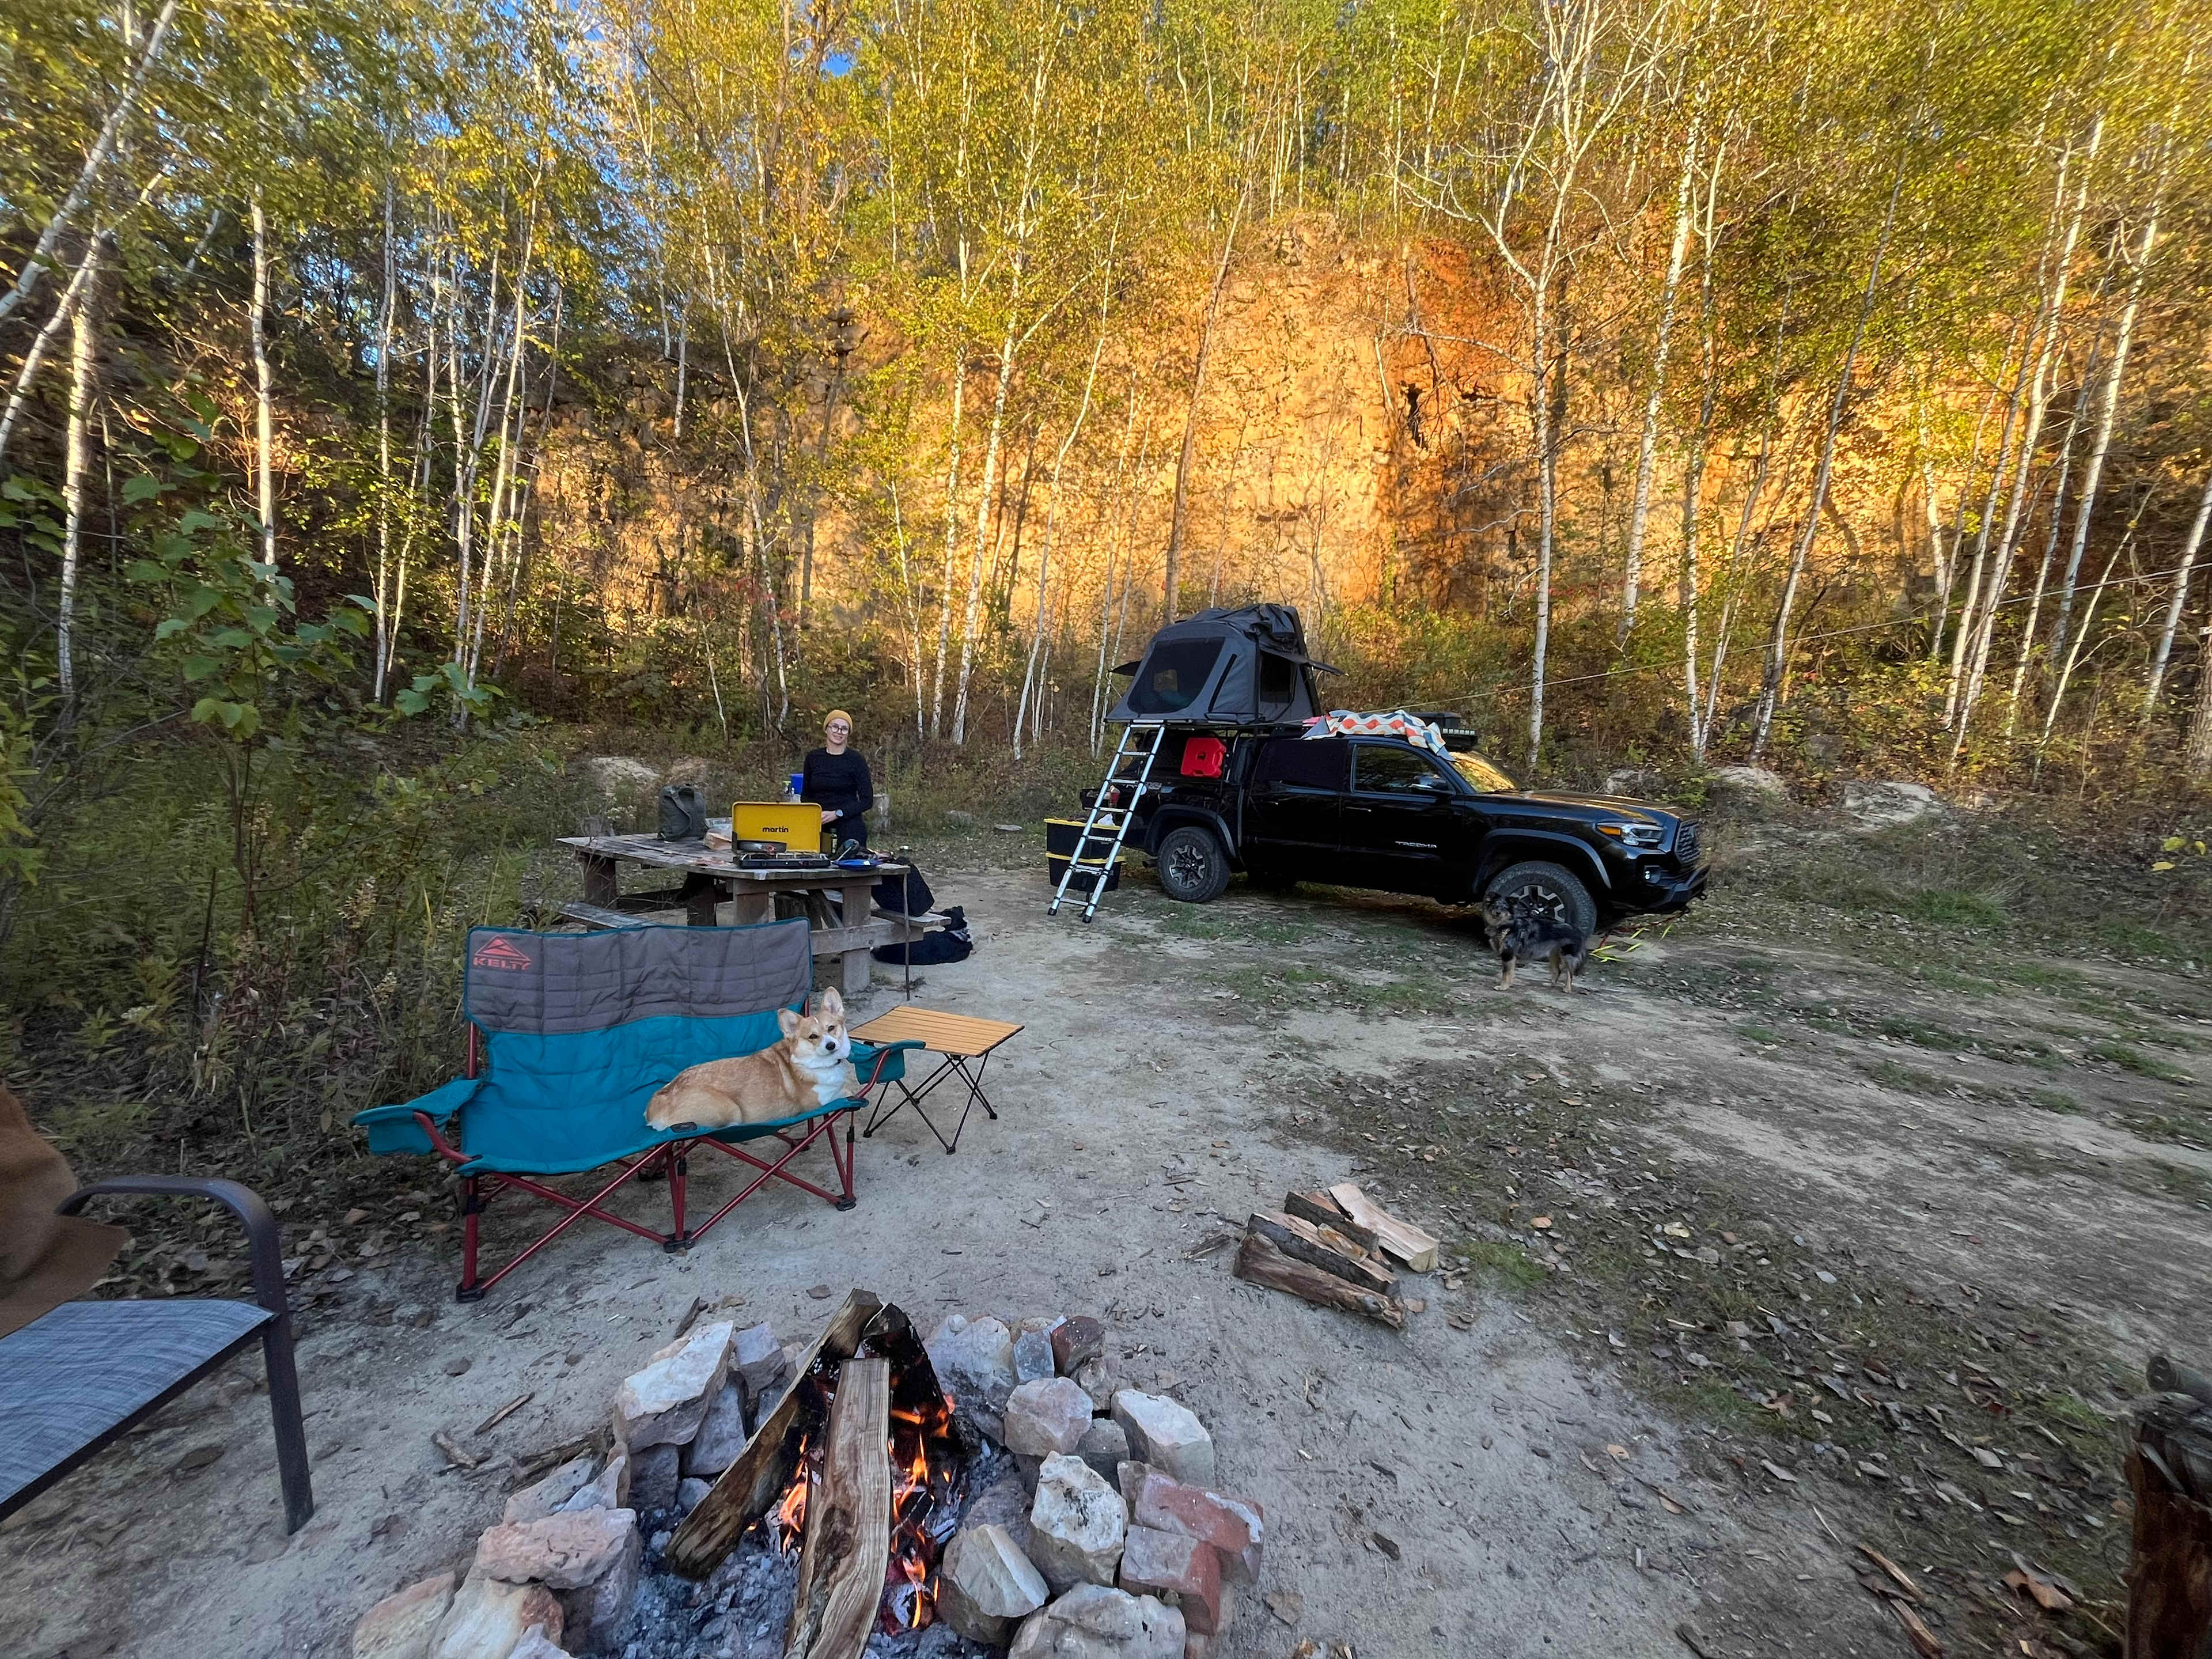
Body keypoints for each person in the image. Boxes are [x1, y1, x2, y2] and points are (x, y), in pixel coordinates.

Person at [801, 709, 873, 850]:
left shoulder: (856, 760)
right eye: (835, 727)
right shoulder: (813, 758)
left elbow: (867, 800)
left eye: (844, 729)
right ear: (827, 729)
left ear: (848, 734)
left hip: (848, 824)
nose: (839, 732)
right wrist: (816, 815)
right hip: (818, 824)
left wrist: (838, 814)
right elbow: (806, 795)